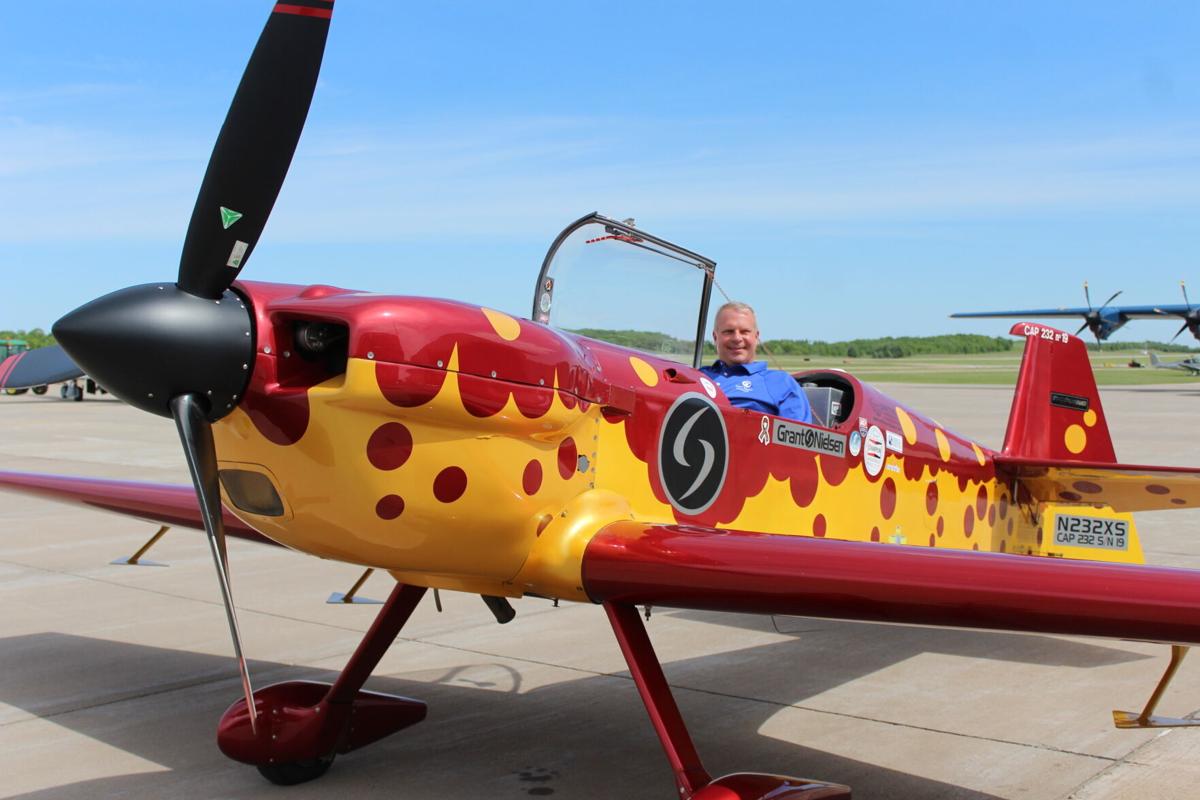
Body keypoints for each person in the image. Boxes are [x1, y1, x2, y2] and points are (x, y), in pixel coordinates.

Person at [700, 301, 813, 423]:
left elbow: (796, 432)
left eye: (744, 331)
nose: (737, 338)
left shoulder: (780, 383)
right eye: (729, 331)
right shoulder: (699, 376)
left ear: (756, 337)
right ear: (715, 337)